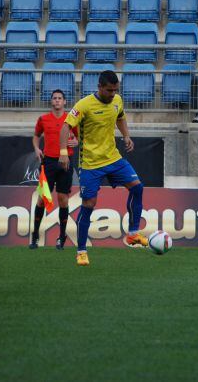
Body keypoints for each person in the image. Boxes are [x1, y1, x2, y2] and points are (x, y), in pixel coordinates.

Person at [58, 70, 148, 266]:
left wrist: (126, 136)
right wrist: (63, 152)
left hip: (113, 158)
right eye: (109, 90)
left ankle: (133, 234)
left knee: (137, 187)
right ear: (99, 87)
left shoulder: (117, 100)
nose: (112, 94)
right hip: (90, 164)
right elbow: (65, 127)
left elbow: (120, 117)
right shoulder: (84, 105)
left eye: (115, 90)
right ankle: (81, 251)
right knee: (89, 204)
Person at [29, 89, 79, 250]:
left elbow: (79, 136)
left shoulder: (70, 119)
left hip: (66, 162)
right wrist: (37, 149)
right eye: (54, 98)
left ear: (65, 102)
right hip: (48, 162)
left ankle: (61, 237)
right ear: (51, 101)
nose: (57, 101)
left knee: (63, 199)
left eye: (60, 98)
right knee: (43, 198)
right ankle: (35, 235)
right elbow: (36, 136)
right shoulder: (43, 119)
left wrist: (76, 141)